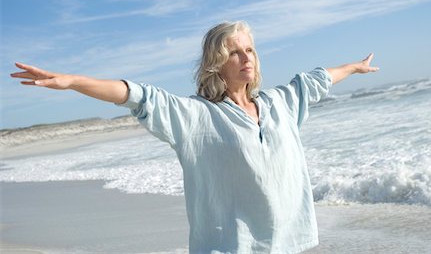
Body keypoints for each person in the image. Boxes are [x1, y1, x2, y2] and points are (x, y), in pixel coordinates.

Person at [11, 21, 379, 253]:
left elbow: (317, 79)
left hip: (288, 244)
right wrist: (73, 82)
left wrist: (354, 67)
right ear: (215, 63)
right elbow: (135, 94)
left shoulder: (281, 103)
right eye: (234, 52)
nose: (245, 57)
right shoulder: (195, 116)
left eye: (249, 49)